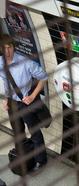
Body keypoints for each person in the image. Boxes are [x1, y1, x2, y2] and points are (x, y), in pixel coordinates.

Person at [0, 34, 48, 172]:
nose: (7, 51)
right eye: (4, 48)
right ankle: (24, 157)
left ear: (14, 47)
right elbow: (6, 80)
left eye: (10, 47)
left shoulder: (25, 62)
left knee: (34, 133)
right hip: (13, 104)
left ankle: (41, 162)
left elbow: (43, 77)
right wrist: (7, 99)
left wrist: (33, 96)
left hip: (25, 103)